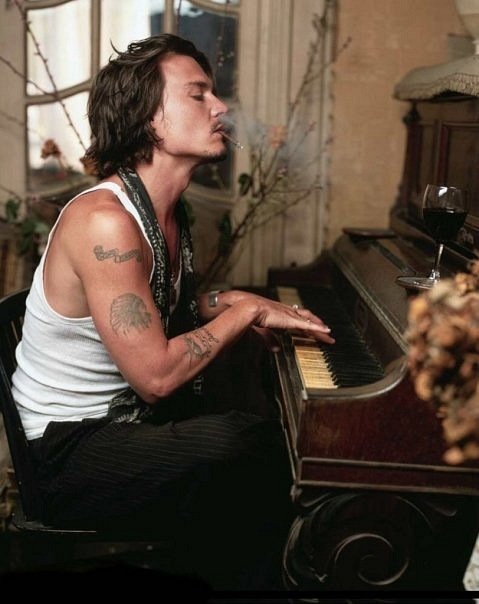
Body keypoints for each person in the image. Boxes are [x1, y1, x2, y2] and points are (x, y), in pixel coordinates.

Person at [11, 33, 335, 589]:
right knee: (253, 445)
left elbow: (159, 304)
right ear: (149, 119)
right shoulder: (106, 222)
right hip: (66, 454)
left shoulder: (168, 211)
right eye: (198, 94)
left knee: (260, 427)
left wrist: (236, 303)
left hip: (120, 426)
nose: (220, 107)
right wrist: (245, 314)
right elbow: (157, 376)